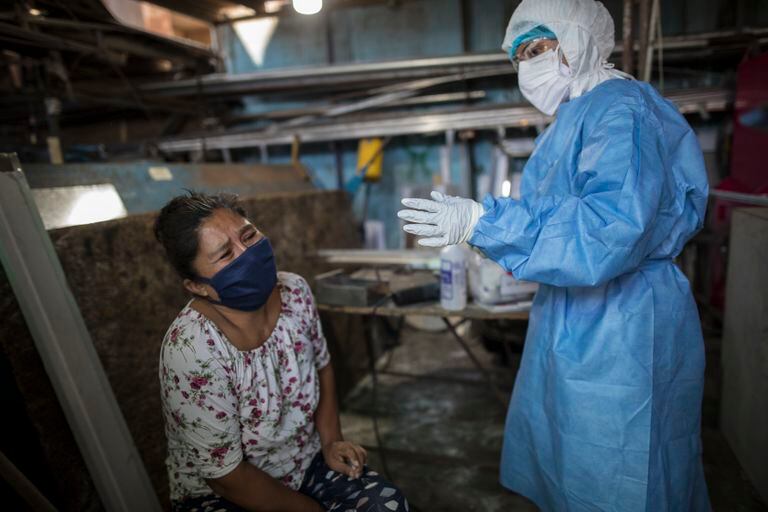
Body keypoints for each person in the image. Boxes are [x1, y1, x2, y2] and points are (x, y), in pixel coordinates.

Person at [397, 0, 711, 510]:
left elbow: (609, 230)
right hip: (571, 314)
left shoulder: (621, 111)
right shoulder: (570, 121)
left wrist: (485, 221)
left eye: (540, 47)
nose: (529, 65)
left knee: (626, 472)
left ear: (579, 40)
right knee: (574, 464)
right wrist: (492, 233)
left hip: (624, 323)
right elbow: (553, 221)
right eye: (520, 56)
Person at [155, 192, 408, 512]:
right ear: (198, 286)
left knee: (386, 505)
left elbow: (322, 366)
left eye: (248, 235)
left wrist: (331, 442)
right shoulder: (191, 350)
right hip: (225, 493)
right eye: (226, 255)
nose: (247, 253)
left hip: (306, 463)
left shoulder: (295, 291)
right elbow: (225, 477)